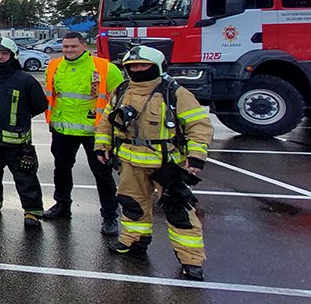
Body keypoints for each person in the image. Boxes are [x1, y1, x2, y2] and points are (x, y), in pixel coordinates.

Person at [97, 45, 212, 281]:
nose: (137, 70)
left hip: (167, 164)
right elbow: (106, 122)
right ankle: (134, 241)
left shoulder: (175, 93)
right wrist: (102, 146)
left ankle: (191, 260)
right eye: (132, 66)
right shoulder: (121, 91)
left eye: (143, 65)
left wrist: (196, 157)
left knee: (179, 211)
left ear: (157, 66)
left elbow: (199, 126)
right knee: (132, 204)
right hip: (130, 161)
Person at [43, 32, 124, 235]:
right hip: (62, 130)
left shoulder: (105, 68)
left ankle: (110, 216)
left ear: (84, 46)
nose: (69, 50)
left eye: (73, 47)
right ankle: (62, 205)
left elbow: (121, 98)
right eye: (66, 47)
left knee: (102, 174)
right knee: (61, 170)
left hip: (95, 132)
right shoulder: (54, 66)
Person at [0, 37, 49, 228]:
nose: (0, 57)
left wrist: (20, 117)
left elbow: (40, 105)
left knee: (25, 177)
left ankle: (32, 211)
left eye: (4, 53)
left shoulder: (25, 80)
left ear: (12, 56)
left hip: (17, 141)